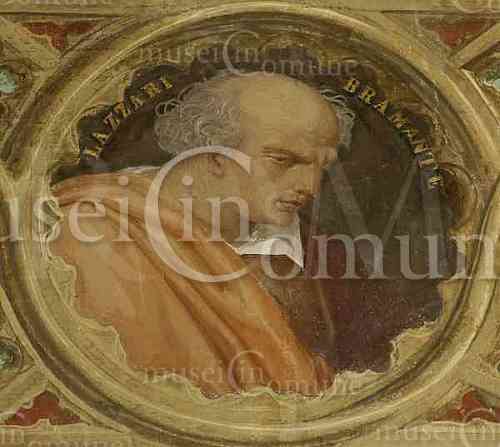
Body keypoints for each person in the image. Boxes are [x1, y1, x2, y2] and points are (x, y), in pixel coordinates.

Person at [51, 71, 355, 397]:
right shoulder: (88, 234)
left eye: (321, 167)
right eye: (282, 159)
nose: (310, 187)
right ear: (215, 154)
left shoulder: (326, 256)